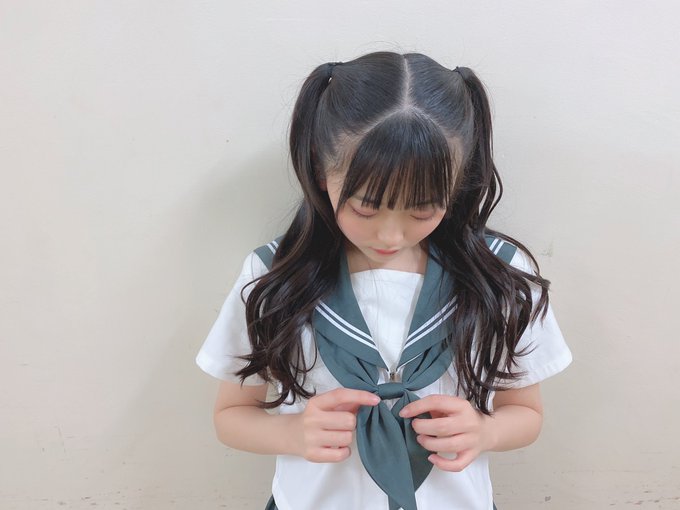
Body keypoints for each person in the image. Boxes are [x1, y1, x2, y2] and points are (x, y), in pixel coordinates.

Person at [196, 51, 572, 510]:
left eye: (423, 209)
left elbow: (526, 413)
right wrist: (291, 433)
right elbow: (231, 415)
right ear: (320, 169)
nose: (391, 236)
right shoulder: (274, 276)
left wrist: (484, 431)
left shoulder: (500, 277)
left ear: (458, 183)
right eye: (366, 208)